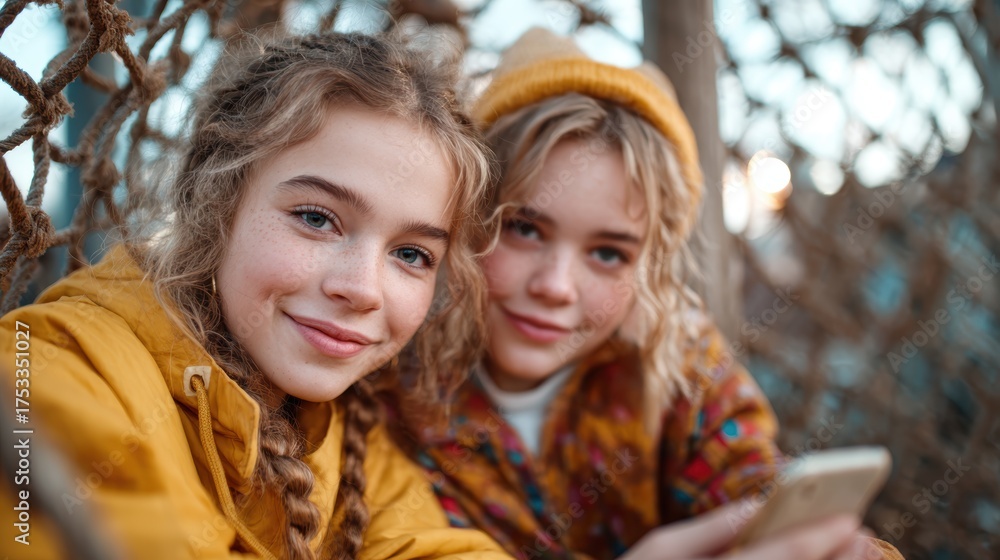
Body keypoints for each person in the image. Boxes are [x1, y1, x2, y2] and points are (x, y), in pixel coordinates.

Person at [385, 28, 904, 560]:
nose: (556, 287)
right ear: (466, 217)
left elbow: (749, 480)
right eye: (524, 228)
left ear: (647, 271)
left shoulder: (677, 362)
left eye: (608, 254)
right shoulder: (387, 389)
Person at [0, 32, 511, 560]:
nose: (361, 290)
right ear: (215, 199)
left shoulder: (350, 434)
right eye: (317, 219)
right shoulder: (55, 370)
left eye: (411, 255)